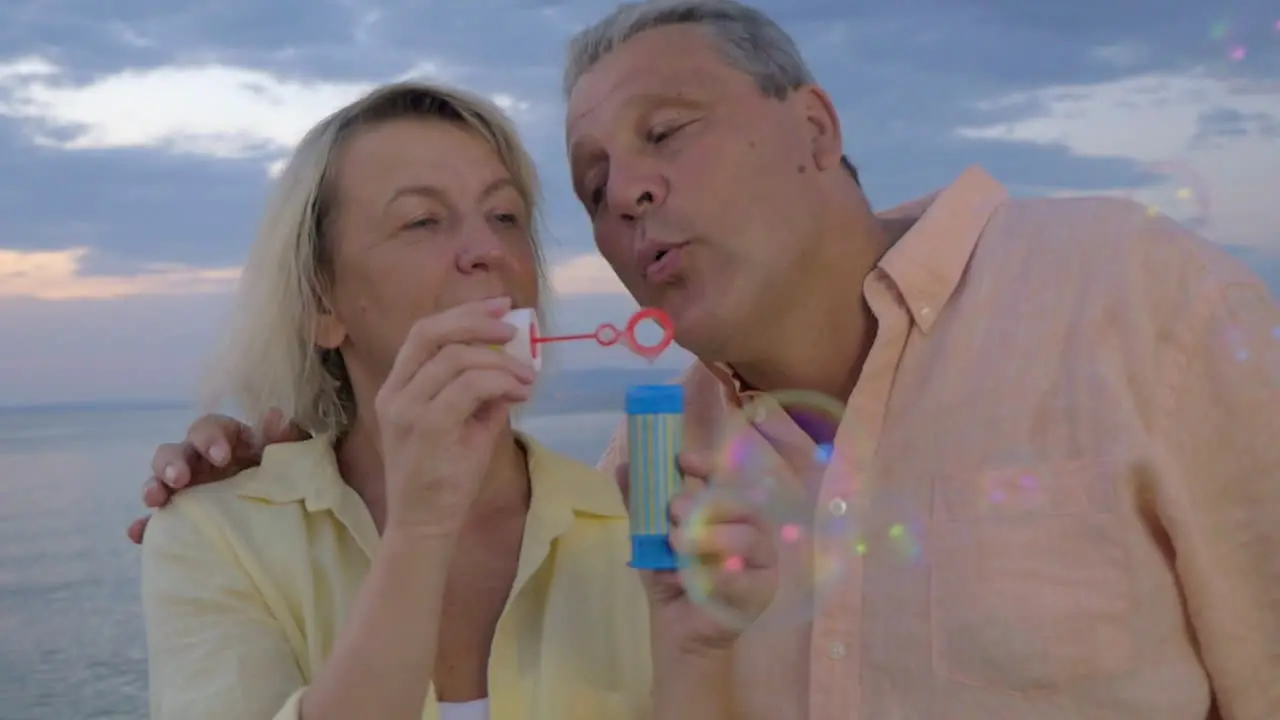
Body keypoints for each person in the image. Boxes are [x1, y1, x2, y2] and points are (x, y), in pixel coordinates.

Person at [131, 1, 1280, 718]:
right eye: (586, 187)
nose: (623, 190)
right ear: (322, 297)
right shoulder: (649, 492)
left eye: (665, 133)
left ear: (815, 131)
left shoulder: (1132, 300)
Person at [136, 79, 773, 720]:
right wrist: (421, 530)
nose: (489, 252)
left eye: (505, 217)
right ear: (321, 306)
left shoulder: (644, 536)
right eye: (422, 221)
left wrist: (696, 656)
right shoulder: (215, 537)